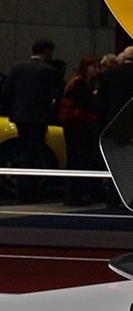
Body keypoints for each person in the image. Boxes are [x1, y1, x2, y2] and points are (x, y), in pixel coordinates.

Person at [4, 38, 63, 201]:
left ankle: (23, 188)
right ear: (47, 51)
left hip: (20, 116)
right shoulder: (49, 71)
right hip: (39, 117)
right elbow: (55, 95)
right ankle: (30, 190)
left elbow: (7, 91)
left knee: (25, 151)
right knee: (35, 152)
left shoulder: (17, 68)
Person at [59, 55, 102, 205]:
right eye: (94, 67)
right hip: (79, 126)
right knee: (79, 159)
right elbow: (86, 104)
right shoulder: (80, 84)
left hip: (74, 126)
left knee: (75, 158)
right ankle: (75, 194)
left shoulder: (74, 82)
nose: (97, 70)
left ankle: (73, 193)